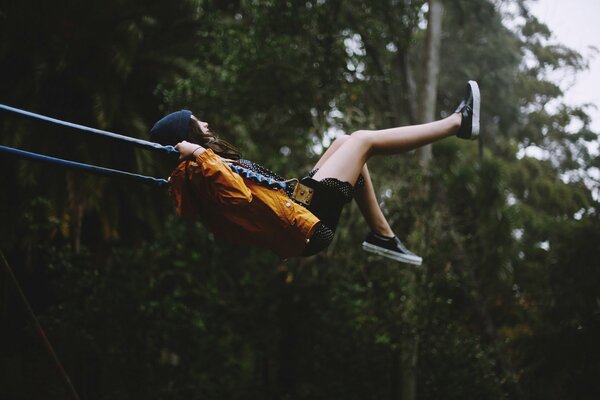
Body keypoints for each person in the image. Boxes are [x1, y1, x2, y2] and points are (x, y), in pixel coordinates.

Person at [150, 81, 481, 265]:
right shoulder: (198, 170)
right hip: (304, 224)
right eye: (198, 123)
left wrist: (201, 156)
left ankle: (382, 236)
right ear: (188, 137)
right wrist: (198, 154)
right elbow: (238, 196)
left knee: (345, 142)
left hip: (299, 208)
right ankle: (457, 124)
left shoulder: (200, 169)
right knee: (363, 141)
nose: (206, 124)